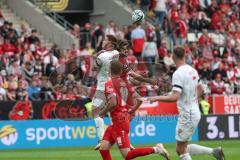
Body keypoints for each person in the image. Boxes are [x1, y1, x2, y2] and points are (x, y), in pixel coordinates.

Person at [146, 46, 225, 160]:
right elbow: (201, 89)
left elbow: (175, 97)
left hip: (187, 114)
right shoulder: (192, 70)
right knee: (183, 147)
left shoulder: (178, 74)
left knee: (180, 150)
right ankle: (214, 152)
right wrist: (193, 101)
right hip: (194, 111)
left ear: (173, 57)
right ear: (185, 56)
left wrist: (156, 98)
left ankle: (214, 152)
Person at [99, 61, 170, 160]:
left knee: (127, 155)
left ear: (109, 70)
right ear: (120, 71)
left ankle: (157, 149)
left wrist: (101, 113)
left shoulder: (109, 83)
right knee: (103, 148)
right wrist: (131, 110)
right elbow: (139, 99)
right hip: (120, 120)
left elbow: (113, 102)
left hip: (119, 121)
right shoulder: (124, 83)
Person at [92, 35, 119, 150]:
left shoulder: (102, 55)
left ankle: (101, 139)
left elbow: (94, 69)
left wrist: (96, 56)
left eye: (105, 39)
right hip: (113, 86)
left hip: (102, 87)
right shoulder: (116, 53)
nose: (103, 40)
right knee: (113, 114)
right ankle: (122, 138)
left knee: (95, 112)